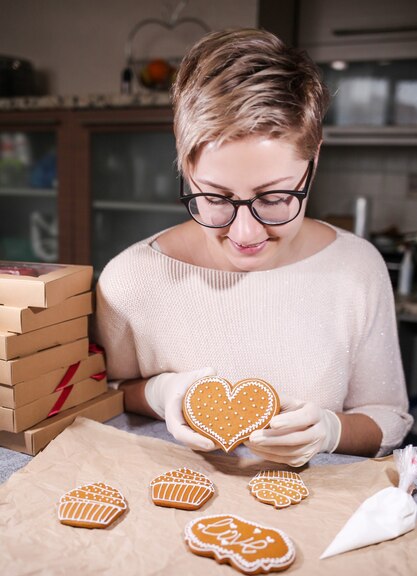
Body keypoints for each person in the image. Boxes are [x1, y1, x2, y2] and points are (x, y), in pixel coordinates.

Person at [94, 28, 413, 466]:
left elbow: (389, 417)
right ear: (186, 168)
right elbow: (102, 395)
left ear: (313, 161)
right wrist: (158, 392)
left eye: (275, 198)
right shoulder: (129, 281)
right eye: (214, 198)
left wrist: (331, 430)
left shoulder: (357, 268)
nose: (245, 234)